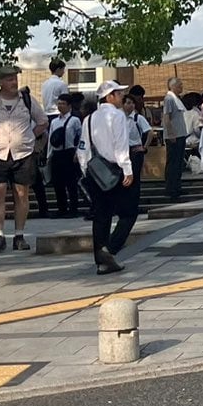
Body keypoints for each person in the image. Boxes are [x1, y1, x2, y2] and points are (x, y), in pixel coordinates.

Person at [0, 69, 45, 254]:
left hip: (23, 153)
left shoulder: (27, 100)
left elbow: (42, 121)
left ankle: (19, 235)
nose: (14, 82)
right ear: (1, 82)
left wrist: (30, 137)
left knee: (21, 194)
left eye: (15, 78)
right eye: (9, 79)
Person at [82, 81, 139, 274]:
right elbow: (120, 144)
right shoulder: (117, 116)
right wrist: (127, 169)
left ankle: (101, 260)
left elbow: (83, 148)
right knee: (129, 212)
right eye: (119, 93)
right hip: (114, 171)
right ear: (109, 97)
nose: (122, 96)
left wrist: (85, 170)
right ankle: (109, 250)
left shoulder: (88, 119)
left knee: (101, 216)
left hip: (94, 172)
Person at [48, 93, 84, 221]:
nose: (60, 106)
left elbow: (81, 137)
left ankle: (73, 209)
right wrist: (49, 155)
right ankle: (61, 208)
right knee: (58, 183)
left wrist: (78, 153)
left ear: (69, 106)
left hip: (69, 153)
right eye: (59, 103)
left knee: (71, 183)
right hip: (57, 153)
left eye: (63, 103)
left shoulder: (74, 120)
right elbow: (50, 139)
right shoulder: (54, 121)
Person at [160, 78, 189, 203]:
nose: (181, 87)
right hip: (174, 135)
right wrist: (171, 133)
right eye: (179, 85)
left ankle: (177, 186)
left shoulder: (176, 99)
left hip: (180, 134)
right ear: (173, 86)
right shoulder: (169, 99)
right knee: (173, 162)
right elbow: (167, 117)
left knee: (178, 162)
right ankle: (171, 189)